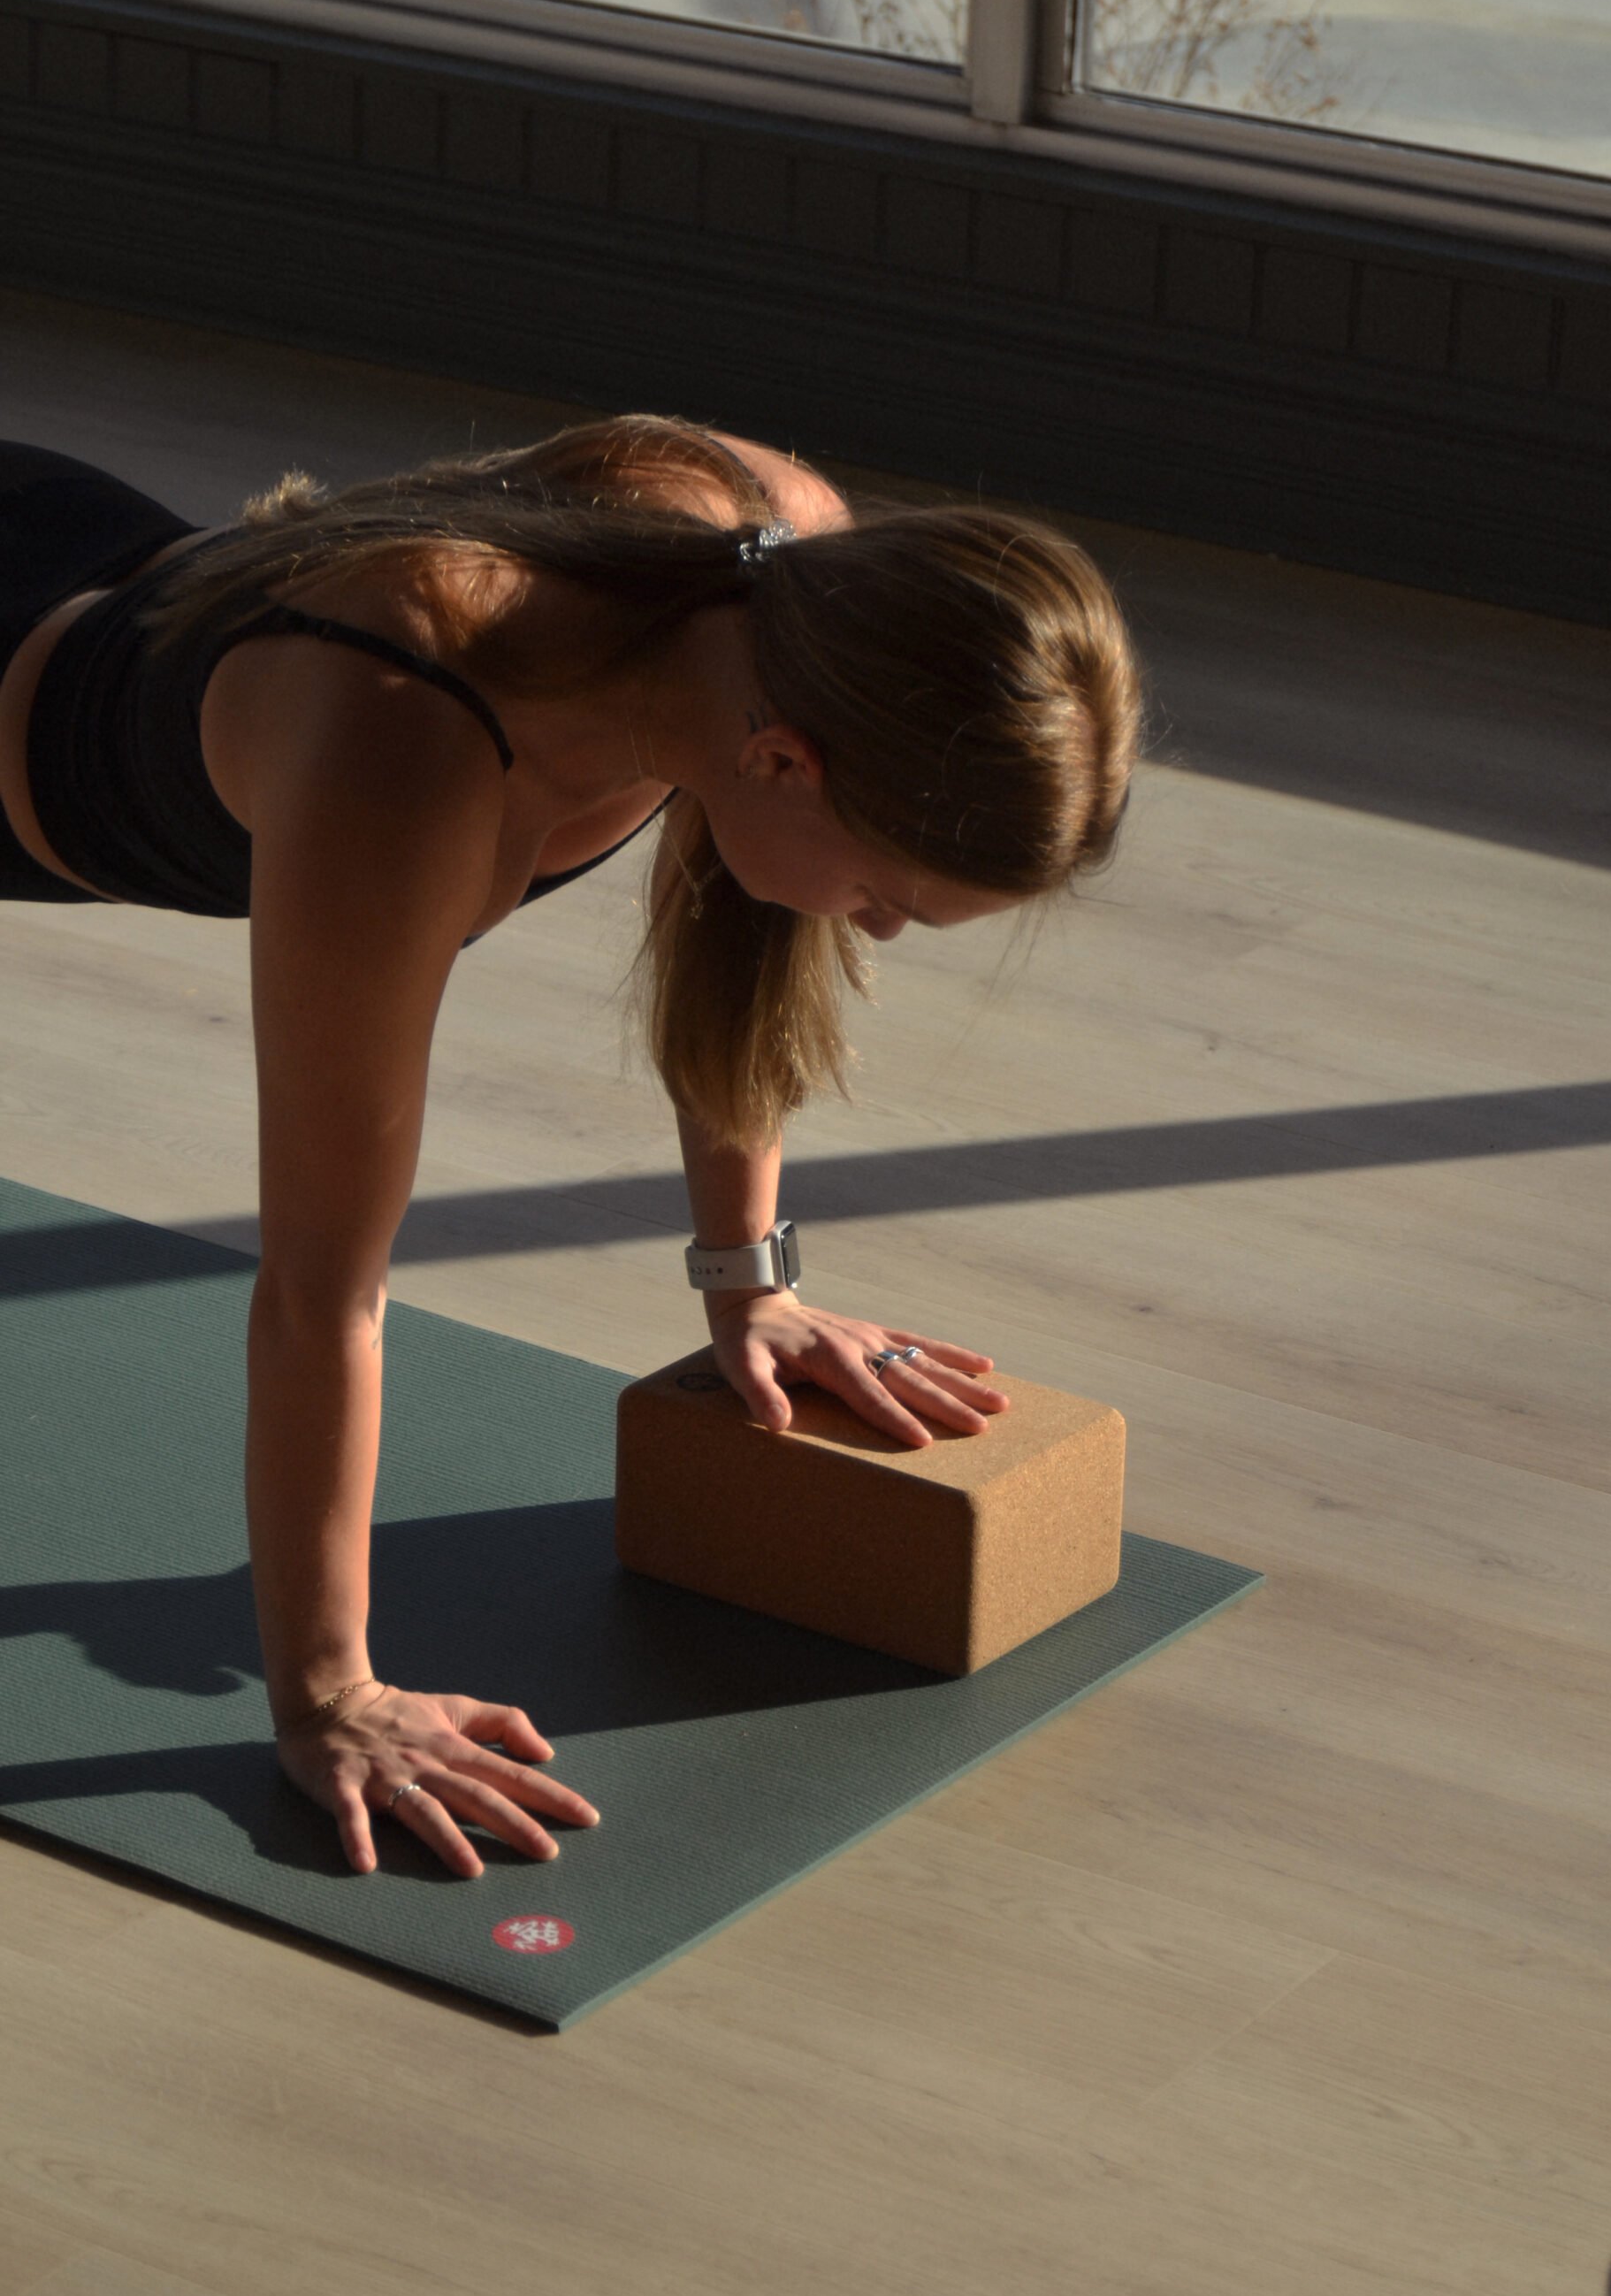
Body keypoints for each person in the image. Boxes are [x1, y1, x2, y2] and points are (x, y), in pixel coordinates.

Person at [0, 413, 1140, 1879]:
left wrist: (754, 1287)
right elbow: (317, 1296)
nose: (879, 931)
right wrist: (328, 1695)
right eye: (889, 897)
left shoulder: (788, 581)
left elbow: (742, 942)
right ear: (787, 760)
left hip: (91, 561)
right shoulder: (397, 756)